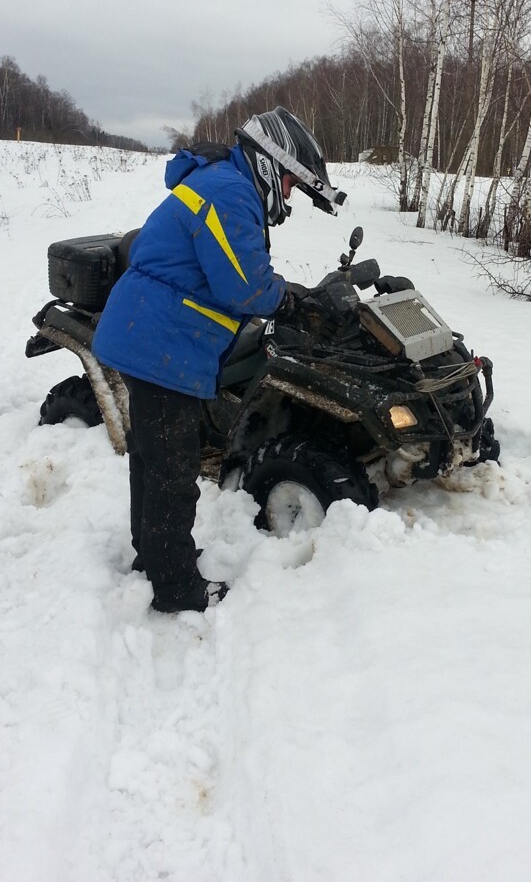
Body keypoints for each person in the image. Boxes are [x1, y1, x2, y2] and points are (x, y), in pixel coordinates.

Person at [92, 107, 346, 613]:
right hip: (160, 345)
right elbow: (245, 286)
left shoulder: (226, 181)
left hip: (152, 336)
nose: (290, 195)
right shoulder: (229, 192)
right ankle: (175, 586)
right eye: (292, 183)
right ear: (272, 165)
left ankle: (156, 556)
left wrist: (283, 293)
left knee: (151, 459)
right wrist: (291, 300)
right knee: (172, 473)